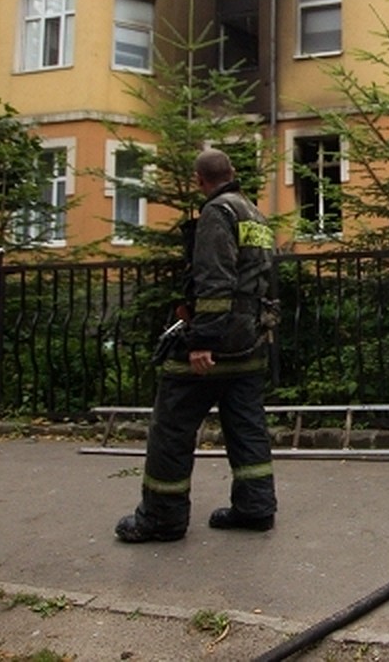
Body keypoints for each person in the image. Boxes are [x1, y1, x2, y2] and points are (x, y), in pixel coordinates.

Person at [116, 149, 278, 543]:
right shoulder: (254, 215)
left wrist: (201, 340)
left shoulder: (216, 214)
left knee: (171, 427)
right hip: (251, 341)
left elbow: (215, 280)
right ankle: (255, 508)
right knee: (246, 426)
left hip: (216, 343)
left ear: (199, 181)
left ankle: (161, 517)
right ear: (233, 172)